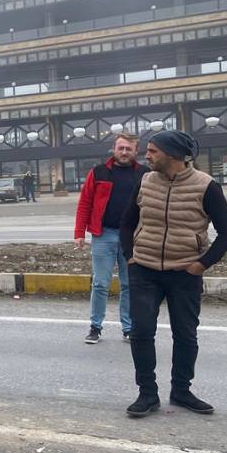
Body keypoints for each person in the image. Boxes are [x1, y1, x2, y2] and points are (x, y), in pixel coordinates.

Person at [120, 130, 227, 417]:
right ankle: (147, 394)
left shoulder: (206, 186)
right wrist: (130, 257)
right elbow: (127, 224)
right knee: (141, 331)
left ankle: (181, 391)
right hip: (144, 270)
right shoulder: (144, 181)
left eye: (153, 151)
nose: (147, 155)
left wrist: (202, 264)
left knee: (186, 335)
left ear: (173, 155)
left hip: (185, 272)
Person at [73, 133, 147, 344]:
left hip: (132, 237)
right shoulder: (99, 172)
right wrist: (79, 233)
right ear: (114, 149)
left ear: (135, 151)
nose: (124, 152)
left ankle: (129, 328)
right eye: (120, 148)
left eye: (128, 149)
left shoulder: (145, 174)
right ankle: (95, 327)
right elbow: (85, 202)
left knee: (129, 284)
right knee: (100, 283)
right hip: (103, 234)